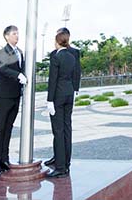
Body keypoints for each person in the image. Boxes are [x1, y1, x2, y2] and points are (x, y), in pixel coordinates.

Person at [45, 27, 81, 170]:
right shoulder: (70, 56)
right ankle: (61, 160)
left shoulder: (59, 56)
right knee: (66, 128)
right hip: (68, 93)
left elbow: (53, 79)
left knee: (59, 130)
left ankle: (62, 164)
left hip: (59, 95)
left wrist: (49, 100)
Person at [0, 25, 25, 176]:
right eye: (14, 34)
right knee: (0, 128)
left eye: (18, 33)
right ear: (6, 36)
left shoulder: (20, 52)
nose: (17, 36)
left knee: (9, 127)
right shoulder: (3, 51)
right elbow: (2, 69)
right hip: (3, 95)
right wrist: (18, 76)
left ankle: (5, 159)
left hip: (15, 94)